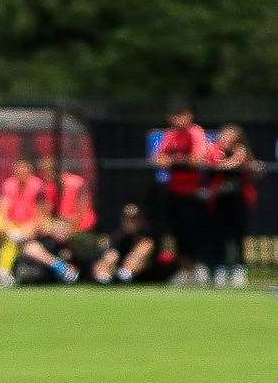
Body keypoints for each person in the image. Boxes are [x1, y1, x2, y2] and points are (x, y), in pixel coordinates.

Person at [152, 106, 208, 281]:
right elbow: (158, 159)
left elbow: (197, 159)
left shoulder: (195, 132)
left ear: (189, 116)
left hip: (193, 193)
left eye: (181, 116)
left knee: (193, 232)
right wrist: (178, 161)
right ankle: (183, 270)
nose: (177, 120)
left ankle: (197, 269)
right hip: (174, 192)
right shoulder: (171, 135)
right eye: (174, 116)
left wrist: (175, 161)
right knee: (177, 233)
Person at [205, 125, 257, 287]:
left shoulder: (243, 151)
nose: (225, 139)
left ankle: (239, 271)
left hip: (238, 200)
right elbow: (213, 164)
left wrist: (235, 160)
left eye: (230, 136)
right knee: (219, 236)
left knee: (238, 236)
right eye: (223, 135)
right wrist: (227, 163)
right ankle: (219, 271)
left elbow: (243, 164)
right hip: (219, 200)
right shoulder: (214, 150)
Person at [92, 203, 168, 285]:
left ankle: (124, 275)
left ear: (140, 220)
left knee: (144, 247)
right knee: (111, 256)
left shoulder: (147, 237)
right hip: (118, 271)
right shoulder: (118, 237)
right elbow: (109, 255)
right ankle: (106, 278)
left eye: (134, 219)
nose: (130, 222)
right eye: (127, 219)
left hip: (145, 275)